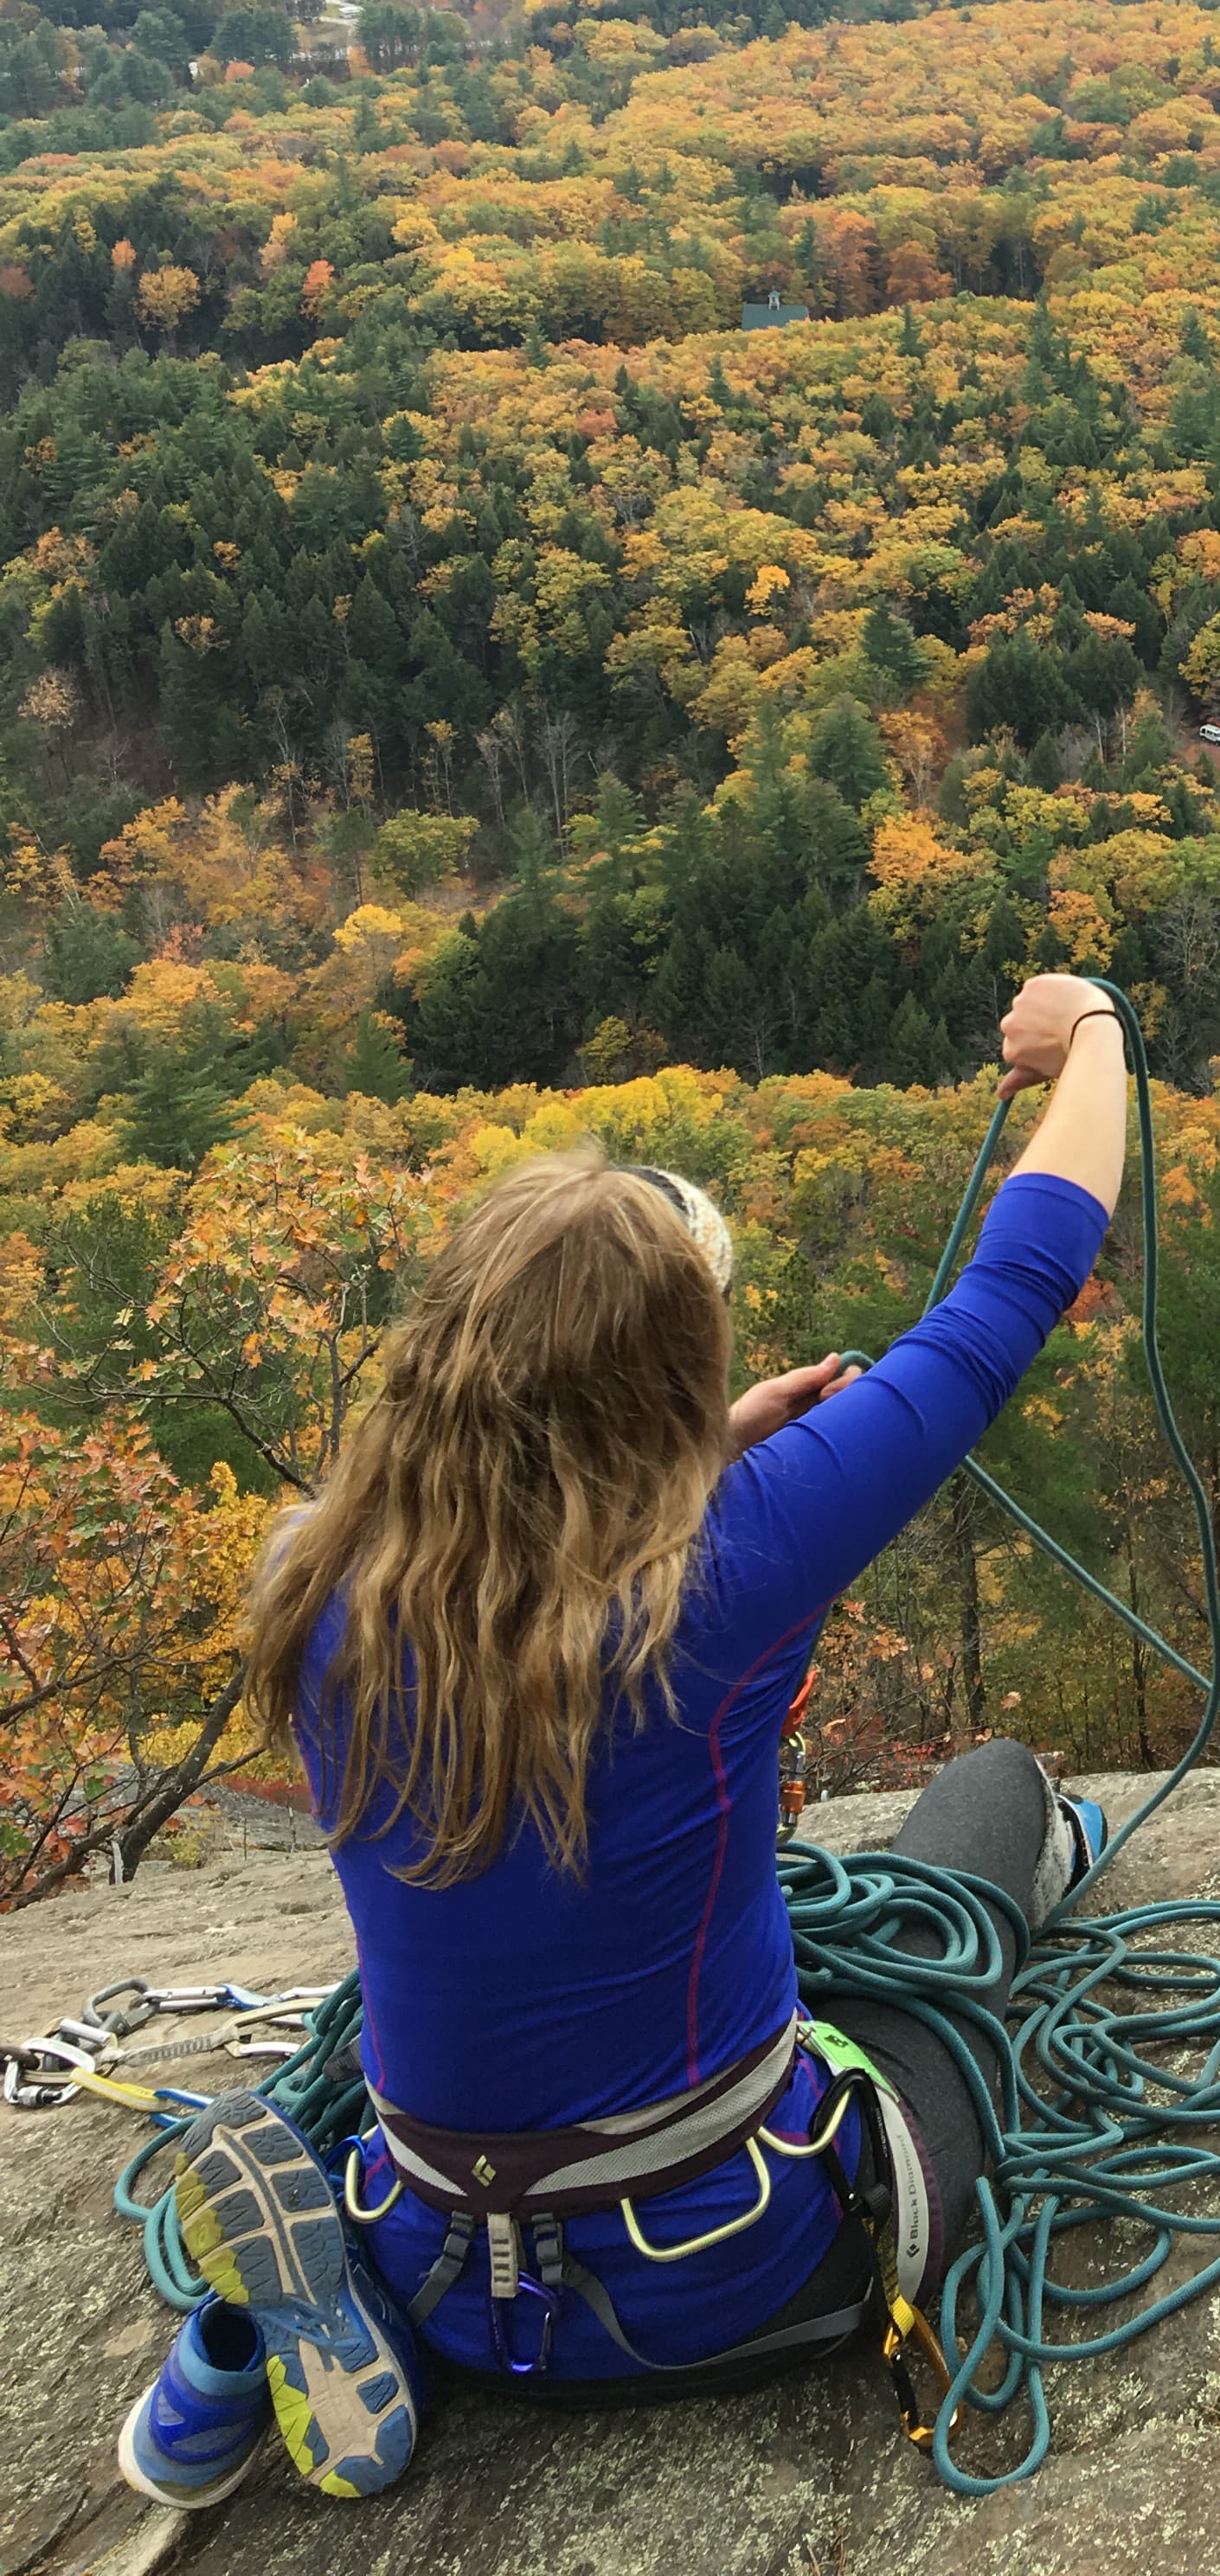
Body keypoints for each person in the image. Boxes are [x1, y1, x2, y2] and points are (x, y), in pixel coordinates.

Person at [118, 974, 1128, 2510]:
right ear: (666, 1380)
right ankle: (1049, 1858)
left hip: (441, 2262)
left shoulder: (315, 1578)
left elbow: (512, 1563)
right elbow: (1013, 1292)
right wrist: (1099, 1031)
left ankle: (269, 2329)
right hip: (731, 2264)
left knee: (447, 2018)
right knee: (987, 1818)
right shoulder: (732, 1570)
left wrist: (702, 1458)